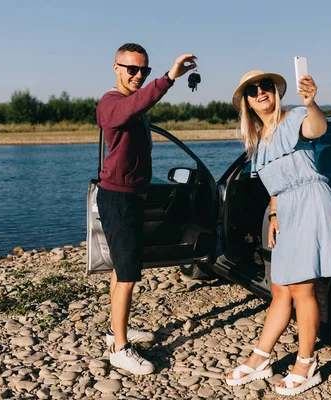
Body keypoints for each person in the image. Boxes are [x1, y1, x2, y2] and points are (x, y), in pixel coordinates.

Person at [225, 70, 331, 396]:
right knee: (280, 289)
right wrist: (275, 211)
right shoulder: (259, 140)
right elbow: (276, 182)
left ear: (275, 93)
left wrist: (311, 102)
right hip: (288, 211)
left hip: (311, 204)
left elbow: (318, 128)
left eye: (266, 86)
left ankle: (306, 365)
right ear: (247, 103)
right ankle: (259, 358)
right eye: (253, 90)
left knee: (301, 289)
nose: (261, 91)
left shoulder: (295, 119)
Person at [96, 43, 197, 375]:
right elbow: (136, 103)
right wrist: (168, 78)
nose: (138, 75)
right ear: (116, 67)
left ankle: (116, 330)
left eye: (144, 71)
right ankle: (120, 349)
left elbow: (139, 105)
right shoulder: (111, 104)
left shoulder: (132, 107)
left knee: (121, 268)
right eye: (132, 69)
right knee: (127, 276)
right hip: (119, 198)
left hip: (131, 195)